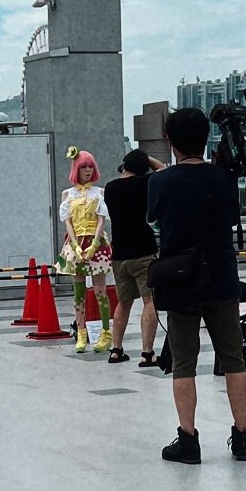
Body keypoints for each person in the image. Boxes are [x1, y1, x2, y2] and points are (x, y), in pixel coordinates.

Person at [147, 108, 246, 464]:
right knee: (233, 359)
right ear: (206, 139)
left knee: (184, 363)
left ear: (170, 140)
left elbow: (154, 220)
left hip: (181, 279)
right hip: (221, 276)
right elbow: (232, 218)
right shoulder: (224, 177)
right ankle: (242, 437)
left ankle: (188, 440)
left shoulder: (160, 182)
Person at [103, 149, 159, 365]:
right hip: (143, 252)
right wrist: (148, 158)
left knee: (124, 303)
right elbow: (163, 171)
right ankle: (147, 353)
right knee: (149, 301)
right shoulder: (146, 183)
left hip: (119, 255)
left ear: (125, 165)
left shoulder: (110, 188)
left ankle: (116, 349)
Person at [56, 146, 113, 353]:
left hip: (96, 243)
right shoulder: (67, 194)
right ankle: (81, 333)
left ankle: (106, 333)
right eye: (83, 167)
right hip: (75, 244)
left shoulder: (100, 193)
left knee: (100, 291)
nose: (88, 170)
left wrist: (95, 244)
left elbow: (102, 220)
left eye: (90, 166)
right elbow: (68, 223)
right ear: (76, 169)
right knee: (78, 292)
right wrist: (75, 246)